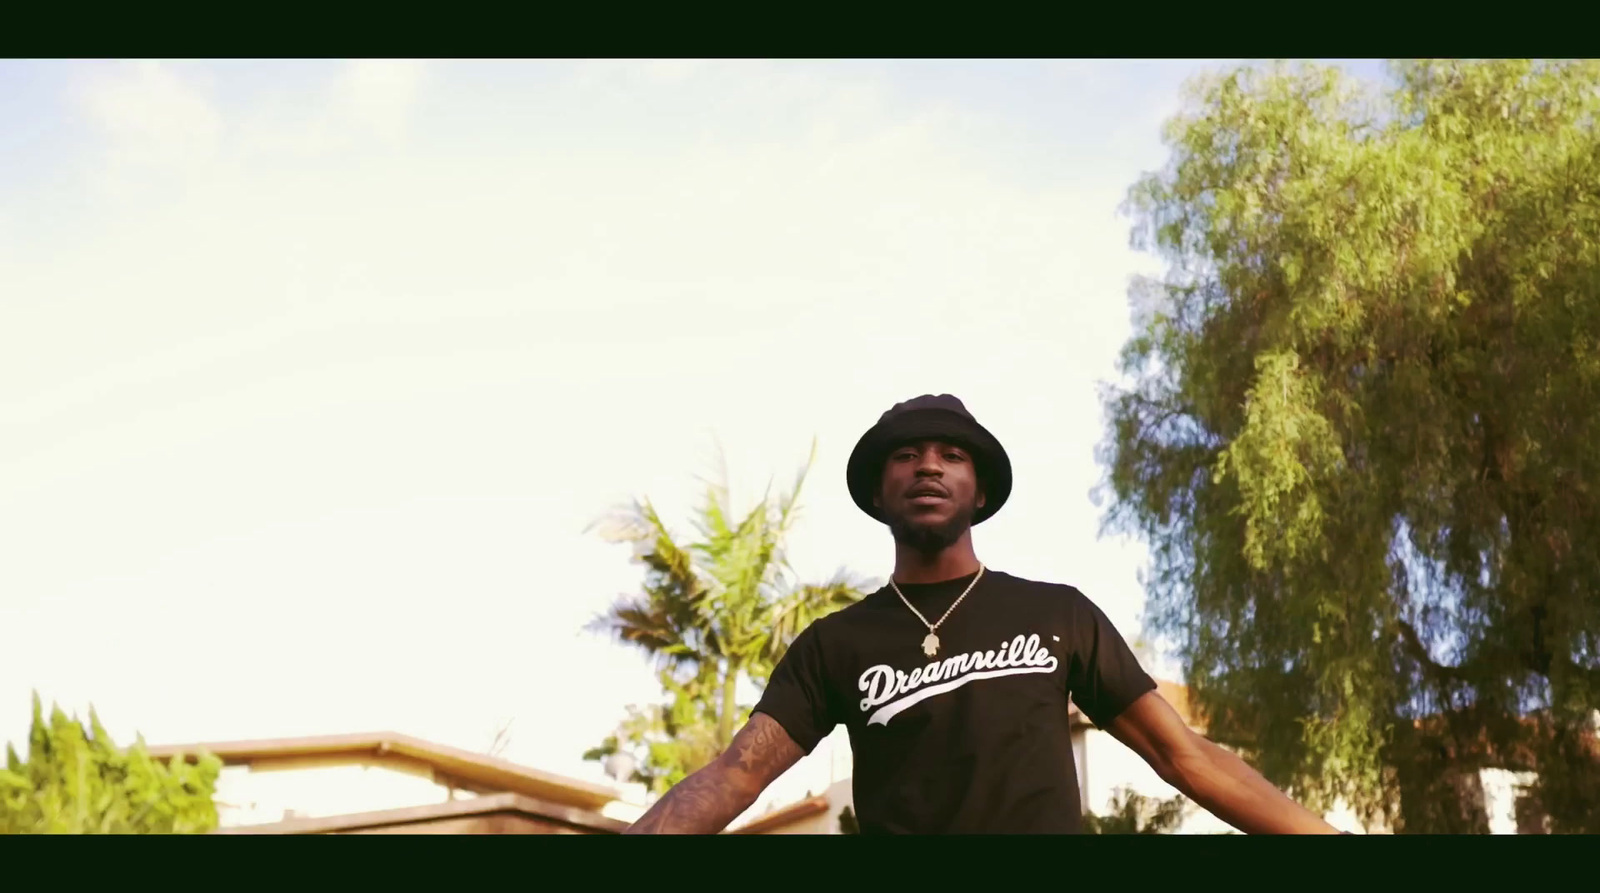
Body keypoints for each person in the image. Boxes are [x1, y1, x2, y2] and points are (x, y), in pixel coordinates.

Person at [624, 394, 1342, 834]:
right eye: (906, 455)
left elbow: (1182, 755)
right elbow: (734, 776)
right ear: (880, 492)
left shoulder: (1058, 614)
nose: (928, 466)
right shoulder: (834, 645)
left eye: (950, 454)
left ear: (980, 491)